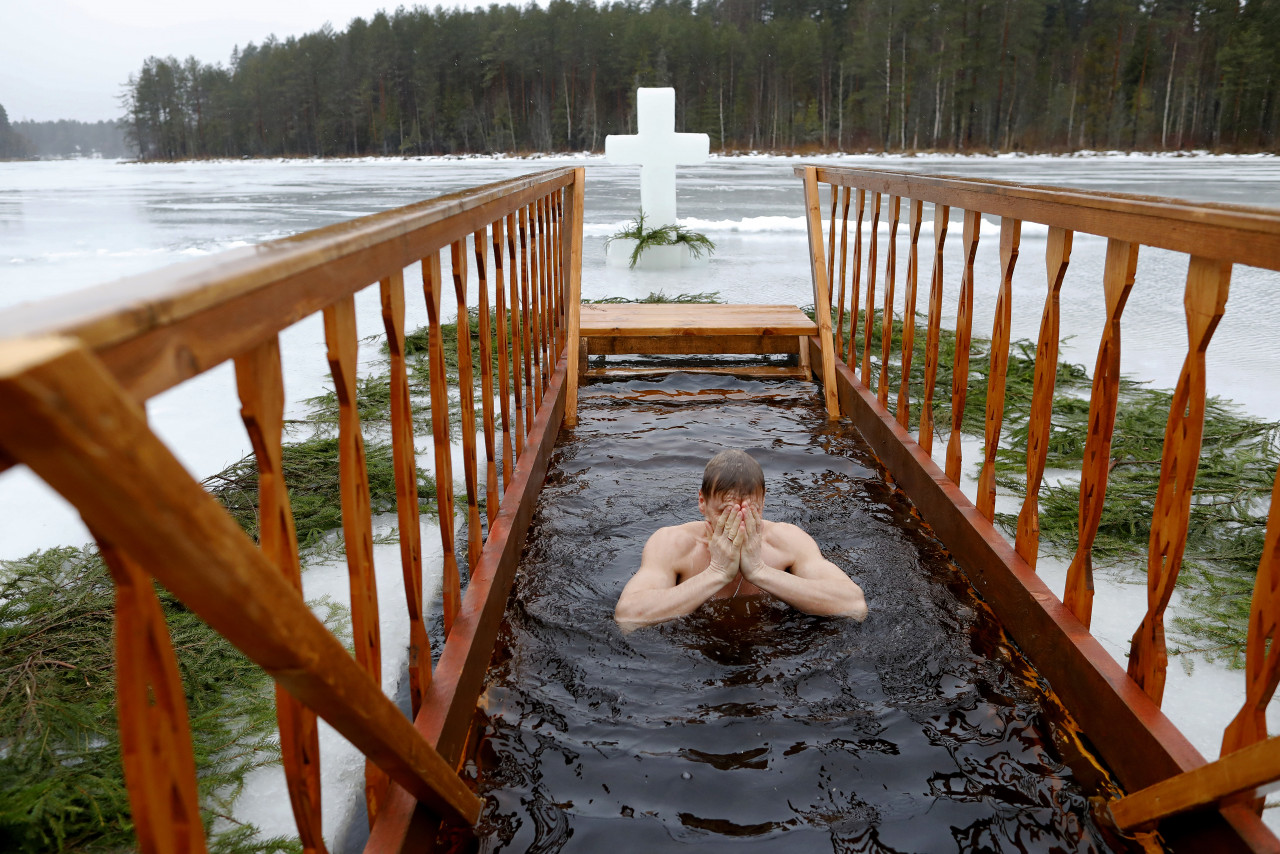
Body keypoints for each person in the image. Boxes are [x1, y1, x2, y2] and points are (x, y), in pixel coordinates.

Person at [615, 449, 868, 629]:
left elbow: (853, 605)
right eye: (724, 512)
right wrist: (716, 573)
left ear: (764, 502)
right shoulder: (673, 543)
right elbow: (628, 616)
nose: (735, 524)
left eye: (748, 512)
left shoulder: (786, 541)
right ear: (702, 502)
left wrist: (759, 572)